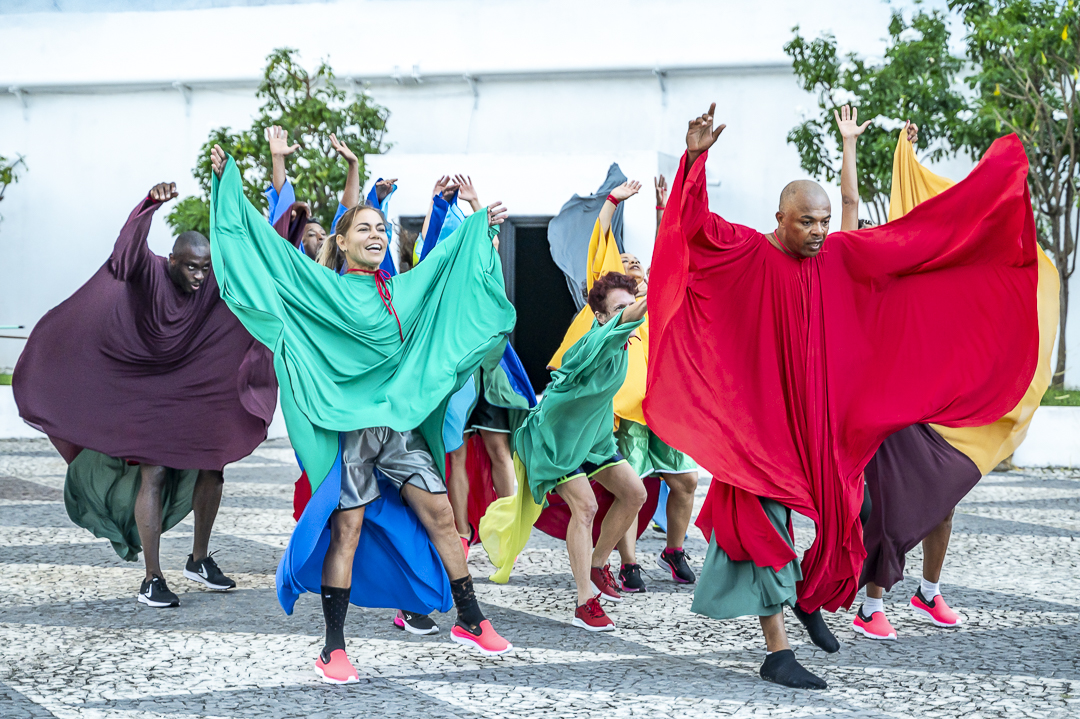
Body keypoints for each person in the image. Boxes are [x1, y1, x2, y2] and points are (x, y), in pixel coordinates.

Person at [644, 103, 1039, 689]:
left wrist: (854, 150)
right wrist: (695, 159)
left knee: (853, 515)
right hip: (760, 425)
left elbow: (886, 231)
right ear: (780, 217)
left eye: (824, 221)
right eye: (807, 222)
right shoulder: (750, 250)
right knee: (763, 528)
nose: (820, 231)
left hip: (822, 425)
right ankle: (777, 650)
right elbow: (693, 230)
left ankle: (809, 600)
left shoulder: (835, 257)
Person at [209, 143, 516, 683]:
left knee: (442, 515)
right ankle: (333, 647)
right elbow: (267, 254)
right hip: (348, 431)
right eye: (364, 228)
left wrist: (476, 218)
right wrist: (228, 186)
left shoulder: (402, 291)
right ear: (343, 241)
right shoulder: (321, 287)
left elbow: (447, 262)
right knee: (346, 529)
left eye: (381, 228)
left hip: (397, 429)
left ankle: (469, 618)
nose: (376, 235)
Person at [832, 106, 1060, 641]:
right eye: (862, 230)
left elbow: (932, 226)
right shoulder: (846, 271)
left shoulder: (897, 274)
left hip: (921, 403)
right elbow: (848, 205)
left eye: (873, 229)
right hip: (875, 411)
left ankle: (928, 590)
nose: (869, 232)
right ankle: (870, 603)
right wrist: (850, 146)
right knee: (890, 508)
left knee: (944, 501)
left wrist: (909, 158)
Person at [14, 182, 277, 608]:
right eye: (191, 267)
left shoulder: (210, 283)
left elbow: (258, 262)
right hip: (146, 390)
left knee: (214, 467)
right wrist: (149, 207)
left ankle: (199, 558)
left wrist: (281, 209)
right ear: (171, 260)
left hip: (190, 388)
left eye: (205, 269)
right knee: (152, 475)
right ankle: (152, 577)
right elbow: (124, 256)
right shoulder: (149, 271)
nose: (199, 276)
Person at [480, 268, 648, 632]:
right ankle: (584, 601)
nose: (628, 312)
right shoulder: (598, 340)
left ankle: (598, 562)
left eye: (630, 305)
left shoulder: (624, 344)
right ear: (601, 317)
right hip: (552, 441)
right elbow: (638, 313)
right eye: (618, 309)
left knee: (635, 493)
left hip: (590, 441)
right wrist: (668, 282)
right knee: (585, 508)